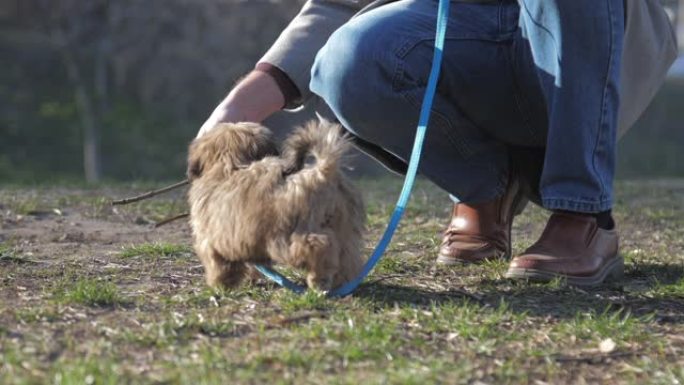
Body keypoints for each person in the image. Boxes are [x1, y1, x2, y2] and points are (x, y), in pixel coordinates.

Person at [199, 0, 677, 286]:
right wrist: (238, 109)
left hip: (585, 36)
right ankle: (484, 189)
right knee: (347, 60)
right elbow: (337, 6)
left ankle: (583, 214)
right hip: (469, 34)